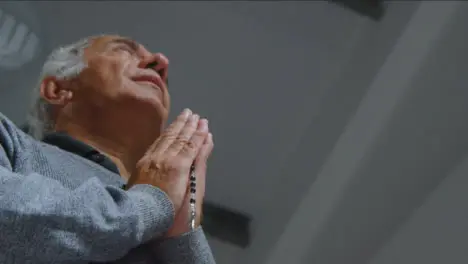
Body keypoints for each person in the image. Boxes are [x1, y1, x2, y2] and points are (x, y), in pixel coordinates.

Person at [0, 35, 216, 263]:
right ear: (57, 89)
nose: (161, 62)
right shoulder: (9, 141)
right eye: (124, 49)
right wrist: (148, 205)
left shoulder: (175, 217)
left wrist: (185, 240)